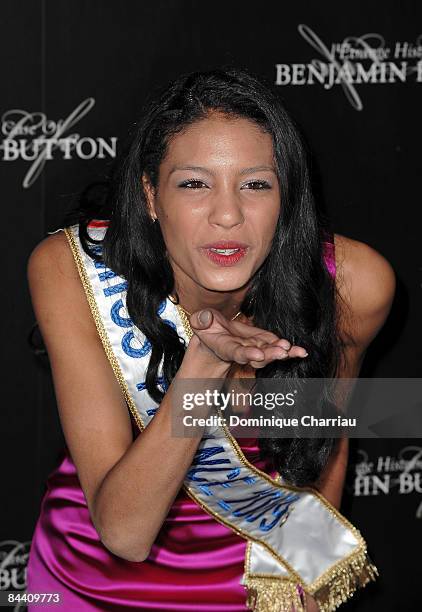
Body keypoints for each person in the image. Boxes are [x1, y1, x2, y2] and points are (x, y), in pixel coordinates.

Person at [26, 68, 395, 611]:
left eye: (256, 184)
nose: (228, 215)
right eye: (195, 184)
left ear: (286, 195)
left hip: (257, 579)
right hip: (91, 579)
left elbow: (322, 447)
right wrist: (202, 367)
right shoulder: (69, 270)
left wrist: (307, 596)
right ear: (151, 196)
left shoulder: (355, 285)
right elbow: (124, 533)